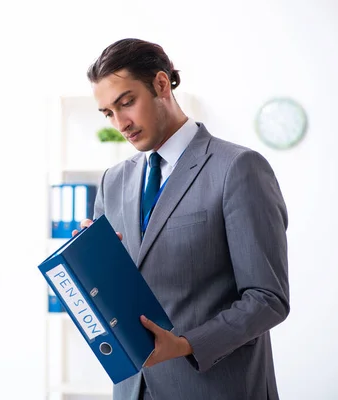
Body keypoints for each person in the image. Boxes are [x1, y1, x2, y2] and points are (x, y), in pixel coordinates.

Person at [73, 38, 290, 400]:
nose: (120, 123)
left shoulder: (236, 168)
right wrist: (89, 262)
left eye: (127, 102)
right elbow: (111, 295)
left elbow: (268, 298)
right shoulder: (113, 181)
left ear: (161, 84)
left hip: (216, 388)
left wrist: (187, 344)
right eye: (108, 113)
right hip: (132, 390)